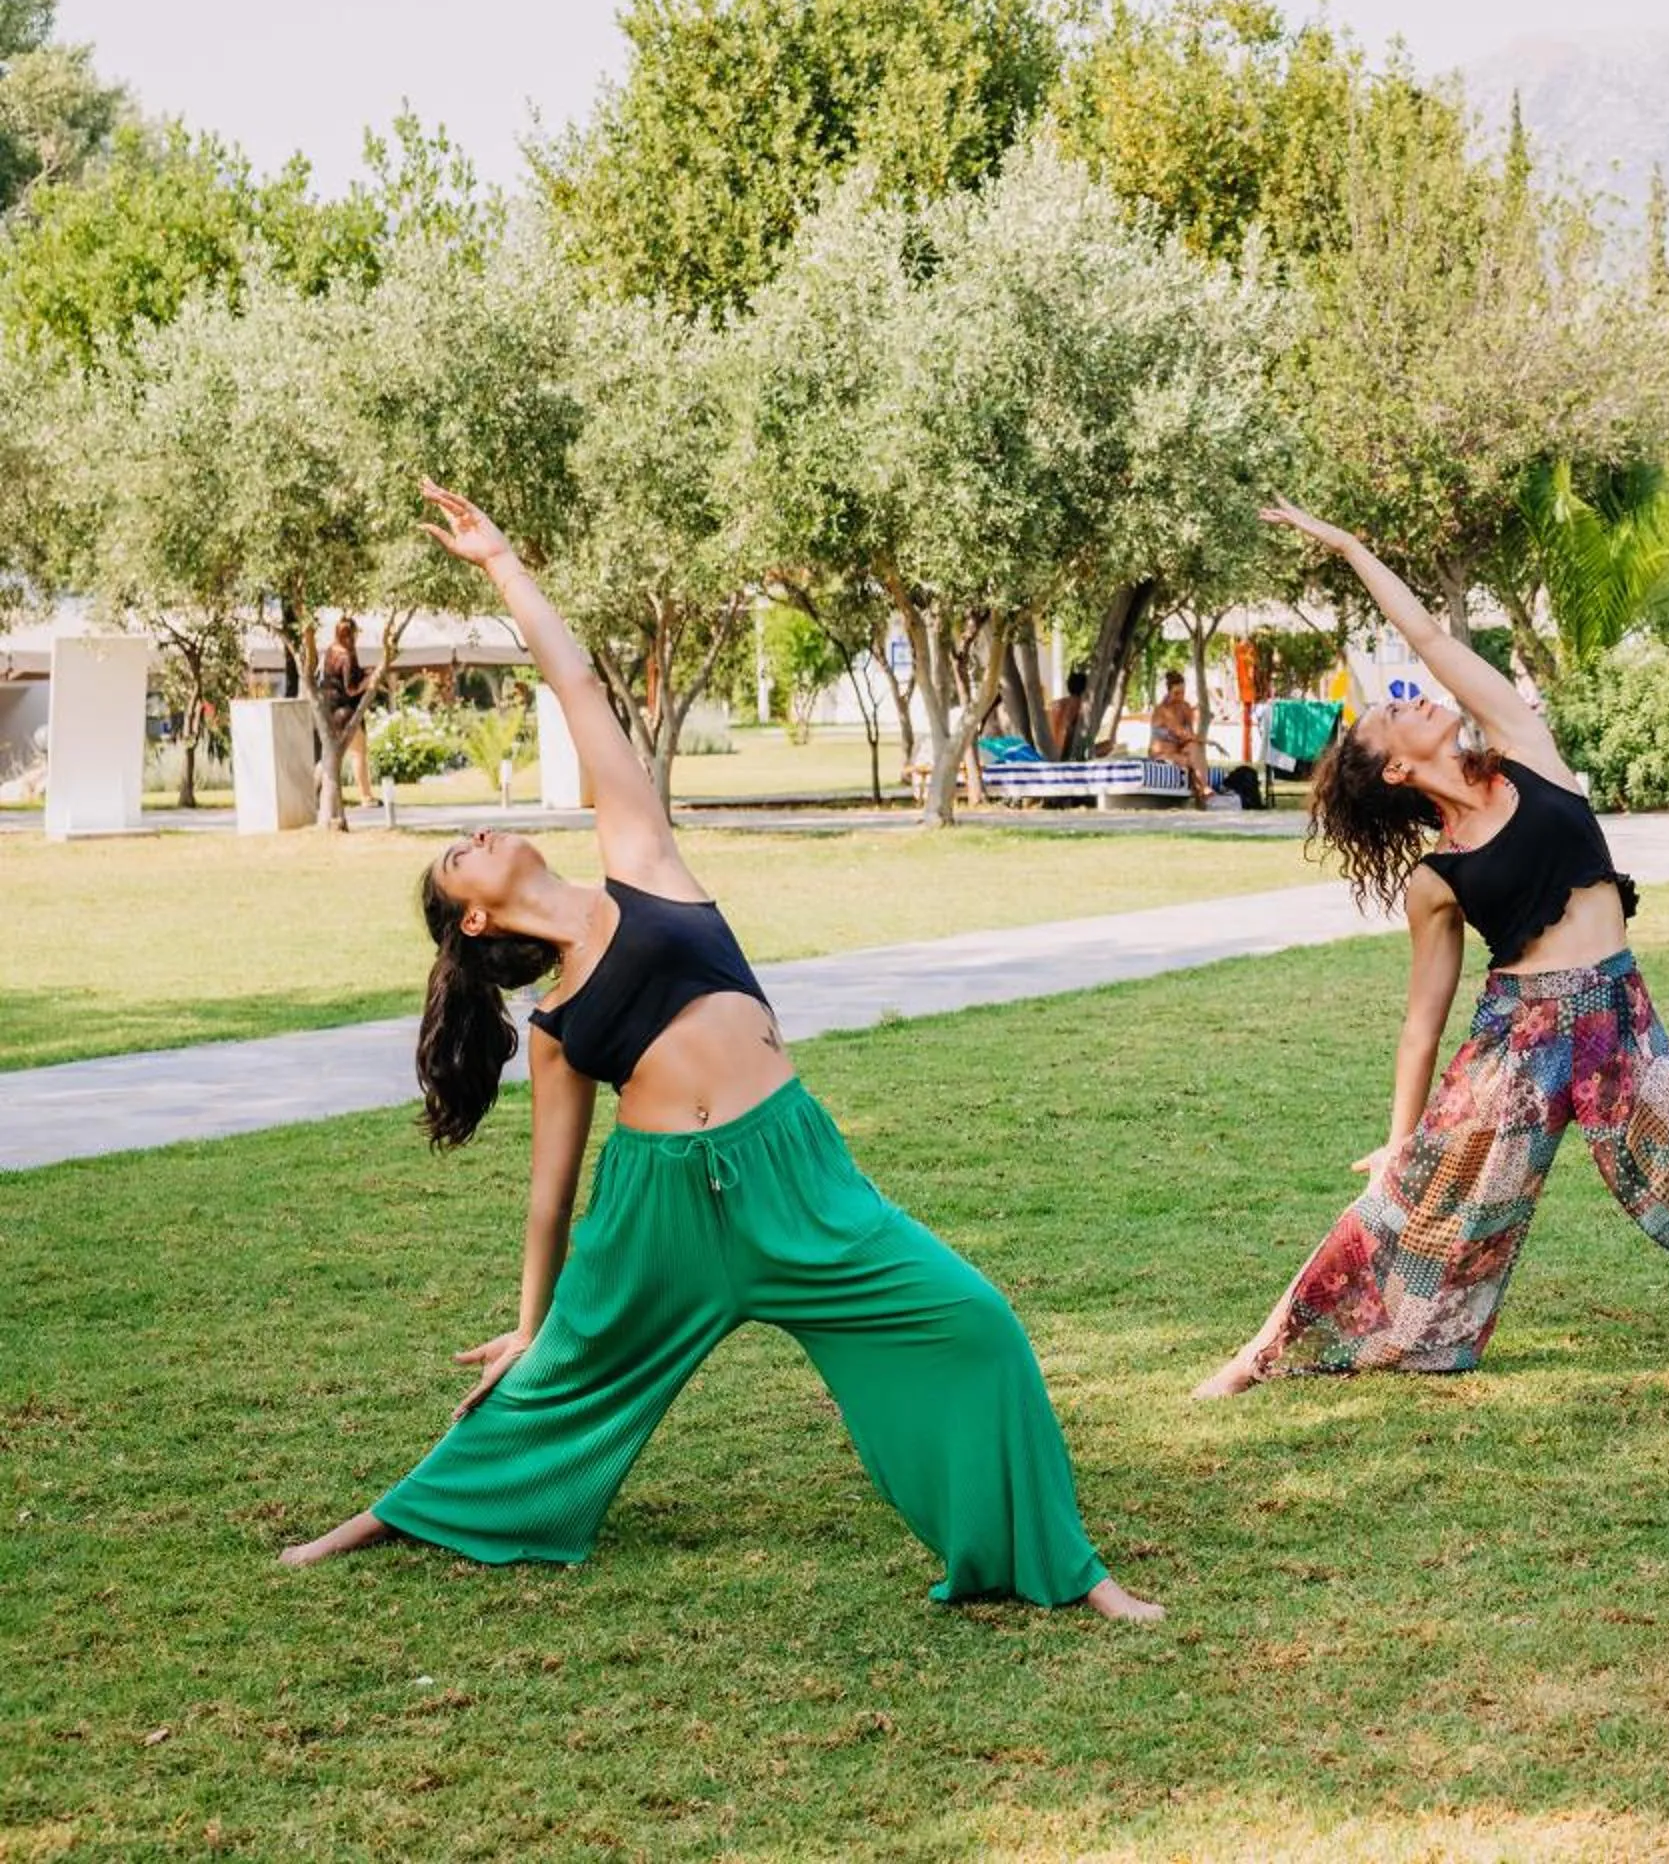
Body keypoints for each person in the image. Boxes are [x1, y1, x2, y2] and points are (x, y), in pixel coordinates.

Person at [279, 481, 1161, 1622]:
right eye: (461, 853)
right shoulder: (553, 1030)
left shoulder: (638, 854)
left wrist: (502, 564)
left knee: (975, 1320)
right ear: (478, 920)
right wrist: (534, 1318)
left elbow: (577, 684)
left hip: (792, 1171)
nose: (482, 833)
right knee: (550, 1384)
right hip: (659, 1211)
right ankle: (389, 1514)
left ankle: (1066, 1571)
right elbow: (551, 1202)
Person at [1193, 501, 1669, 1413]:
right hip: (1515, 1047)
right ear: (1394, 771)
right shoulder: (1436, 879)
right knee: (1405, 1211)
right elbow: (1420, 1021)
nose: (1414, 698)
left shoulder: (1524, 749)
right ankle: (1259, 1353)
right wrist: (1402, 1139)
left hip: (1619, 1037)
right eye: (1391, 713)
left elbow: (1432, 637)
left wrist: (1352, 546)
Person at [324, 616, 376, 809]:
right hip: (346, 710)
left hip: (331, 708)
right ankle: (365, 796)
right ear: (351, 634)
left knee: (333, 754)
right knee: (358, 752)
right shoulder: (345, 656)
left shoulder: (331, 651)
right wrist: (369, 680)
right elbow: (351, 688)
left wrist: (364, 673)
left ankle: (313, 789)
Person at [1148, 669, 1211, 804]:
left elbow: (1190, 735)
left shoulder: (1186, 708)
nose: (1180, 697)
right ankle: (1202, 792)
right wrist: (1209, 742)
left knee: (1194, 748)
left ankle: (1204, 790)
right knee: (1191, 760)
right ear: (1169, 692)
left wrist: (1195, 743)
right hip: (1161, 754)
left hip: (1179, 750)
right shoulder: (1162, 710)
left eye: (1182, 693)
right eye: (1176, 693)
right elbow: (1181, 732)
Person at [1044, 669, 1090, 760]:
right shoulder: (1081, 707)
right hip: (1065, 755)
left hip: (1047, 752)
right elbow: (1067, 729)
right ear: (1085, 688)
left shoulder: (1053, 705)